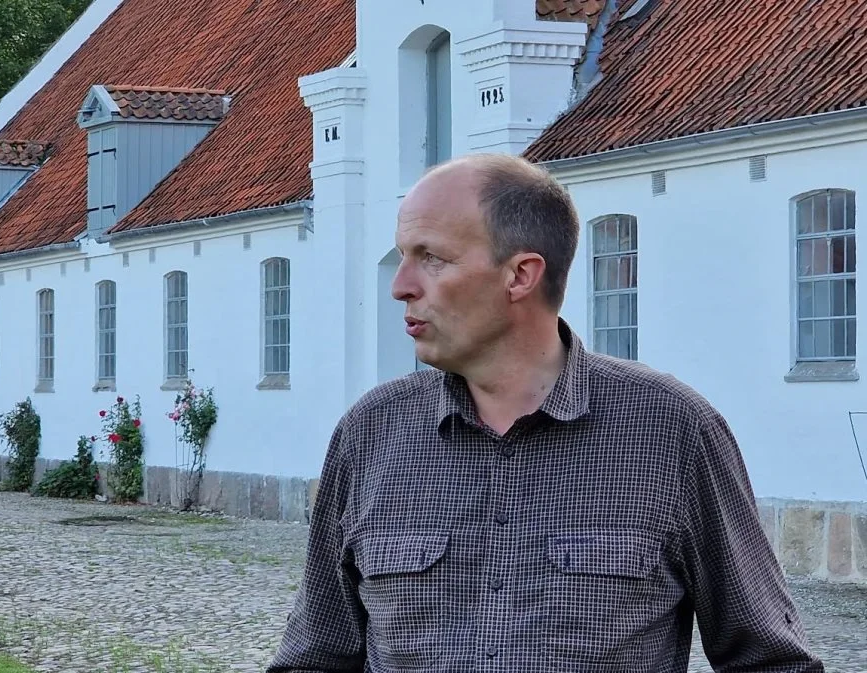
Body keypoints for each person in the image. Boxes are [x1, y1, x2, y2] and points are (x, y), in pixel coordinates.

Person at [266, 154, 823, 672]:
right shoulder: (371, 435)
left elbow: (771, 661)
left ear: (520, 275)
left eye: (430, 258)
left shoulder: (673, 433)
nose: (400, 287)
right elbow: (314, 658)